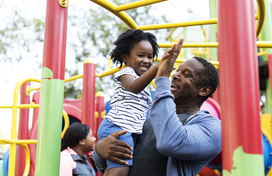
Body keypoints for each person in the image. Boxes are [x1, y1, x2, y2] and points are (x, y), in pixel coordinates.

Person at [93, 40, 221, 176]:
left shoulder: (212, 127)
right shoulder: (147, 112)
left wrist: (162, 78)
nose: (176, 75)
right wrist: (100, 151)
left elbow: (170, 142)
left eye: (186, 74)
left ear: (204, 90)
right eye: (177, 71)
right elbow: (110, 165)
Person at [97, 29, 176, 176]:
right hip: (118, 126)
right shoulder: (126, 73)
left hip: (128, 129)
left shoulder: (144, 86)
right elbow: (134, 87)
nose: (146, 60)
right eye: (141, 55)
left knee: (112, 169)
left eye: (150, 57)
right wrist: (157, 68)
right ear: (125, 57)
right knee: (121, 169)